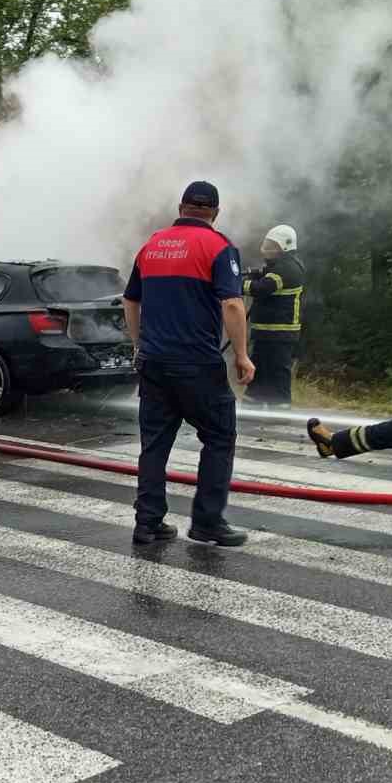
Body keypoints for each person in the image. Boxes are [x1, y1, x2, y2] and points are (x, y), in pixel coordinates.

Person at [123, 180, 255, 548]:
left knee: (154, 444)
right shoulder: (218, 246)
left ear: (181, 207)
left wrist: (139, 345)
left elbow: (130, 301)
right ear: (214, 212)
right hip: (196, 363)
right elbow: (231, 304)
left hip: (154, 362)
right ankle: (208, 522)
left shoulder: (151, 245)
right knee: (218, 436)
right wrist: (242, 355)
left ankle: (147, 524)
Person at [242, 224, 305, 407]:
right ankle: (253, 402)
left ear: (285, 247)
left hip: (281, 331)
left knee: (278, 369)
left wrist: (238, 285)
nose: (267, 249)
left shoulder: (287, 269)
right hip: (267, 330)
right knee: (260, 367)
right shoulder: (279, 266)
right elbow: (264, 276)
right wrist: (253, 273)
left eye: (273, 246)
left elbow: (262, 288)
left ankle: (280, 406)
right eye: (268, 244)